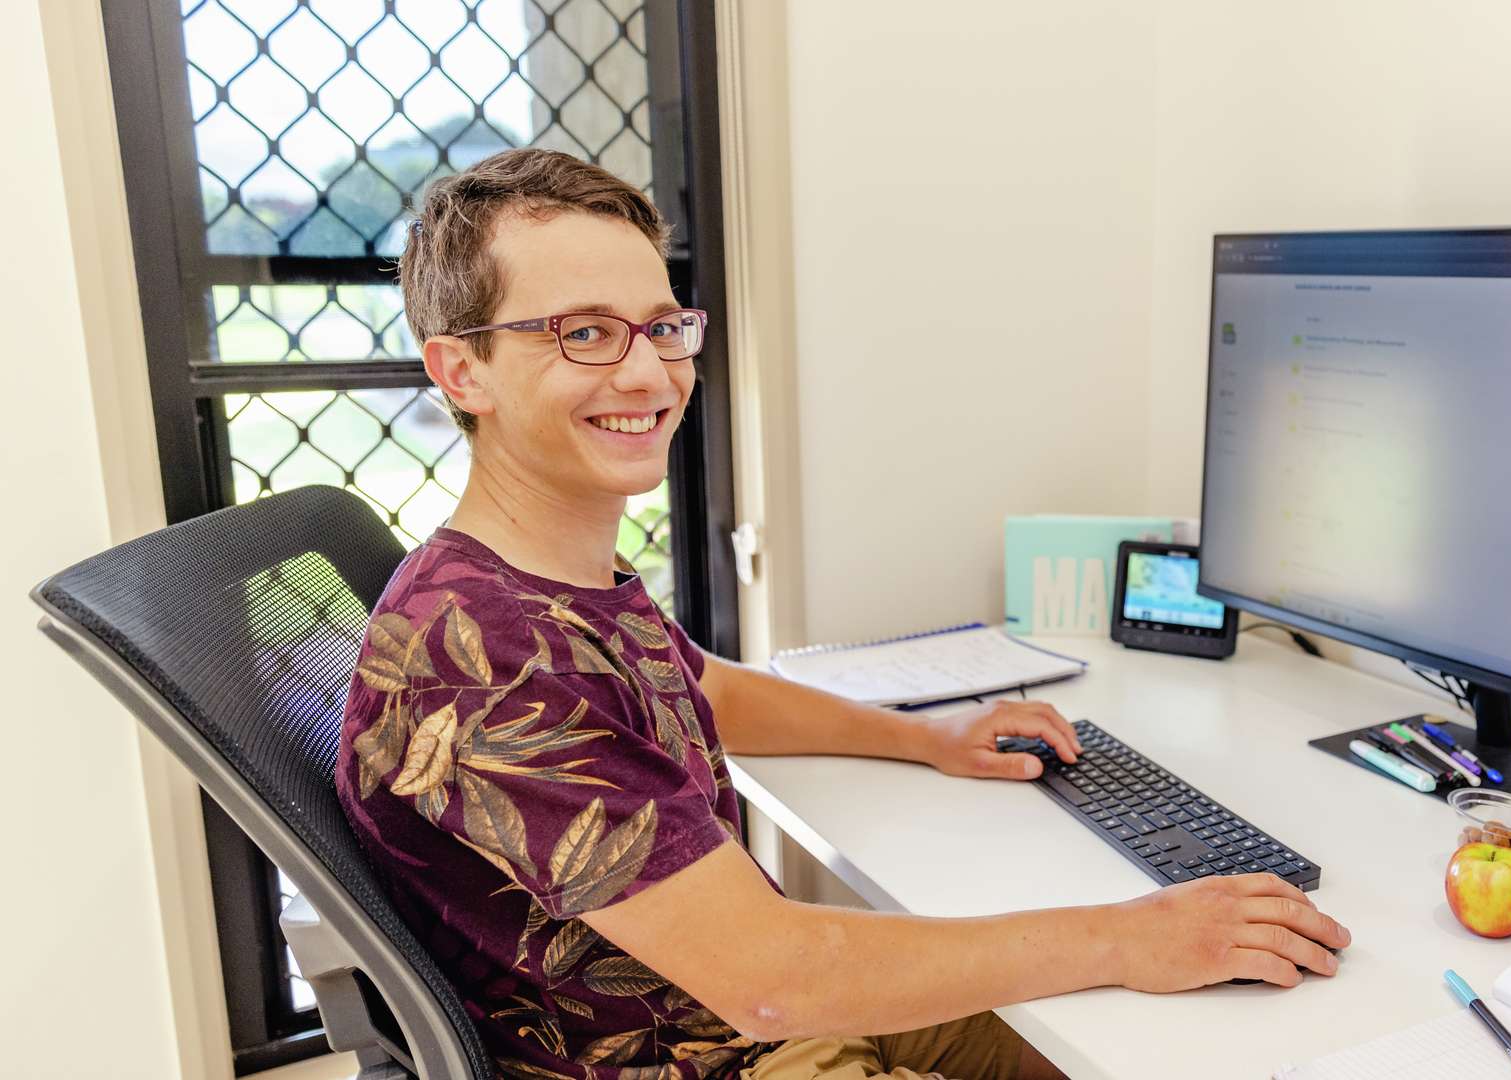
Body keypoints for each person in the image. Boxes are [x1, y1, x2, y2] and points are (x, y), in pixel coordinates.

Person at [336, 148, 1351, 1080]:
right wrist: (1128, 935)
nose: (649, 373)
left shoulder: (538, 576)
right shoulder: (490, 654)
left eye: (661, 326)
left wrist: (928, 740)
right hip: (705, 1054)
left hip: (737, 1008)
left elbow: (696, 685)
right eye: (585, 334)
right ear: (459, 370)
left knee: (1162, 1037)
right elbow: (773, 975)